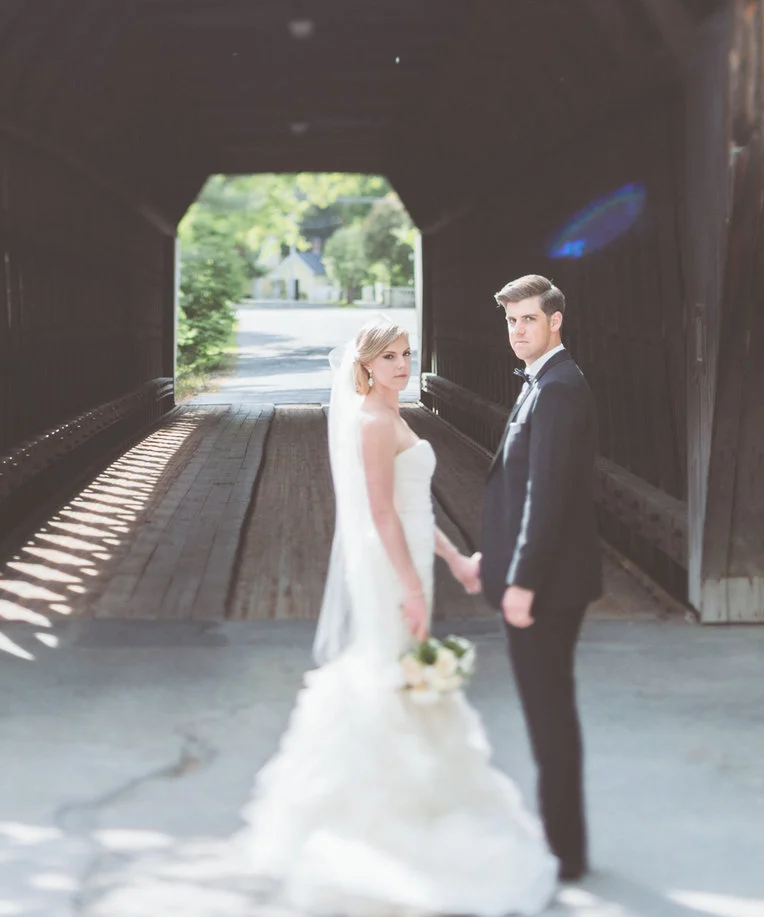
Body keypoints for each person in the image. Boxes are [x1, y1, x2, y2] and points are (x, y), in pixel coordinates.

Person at [238, 319, 558, 916]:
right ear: (364, 366)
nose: (402, 364)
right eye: (389, 357)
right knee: (388, 672)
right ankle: (373, 818)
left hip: (413, 557)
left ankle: (413, 796)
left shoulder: (397, 416)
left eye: (407, 354)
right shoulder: (371, 423)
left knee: (403, 675)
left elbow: (415, 508)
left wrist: (457, 561)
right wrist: (410, 585)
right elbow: (381, 513)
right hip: (392, 568)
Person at [464, 274, 600, 882]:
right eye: (511, 321)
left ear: (555, 321)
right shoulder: (541, 382)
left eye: (528, 320)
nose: (518, 331)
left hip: (546, 587)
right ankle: (561, 845)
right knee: (547, 713)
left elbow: (546, 498)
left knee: (549, 716)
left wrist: (520, 581)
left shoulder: (560, 389)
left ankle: (564, 854)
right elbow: (521, 491)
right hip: (535, 577)